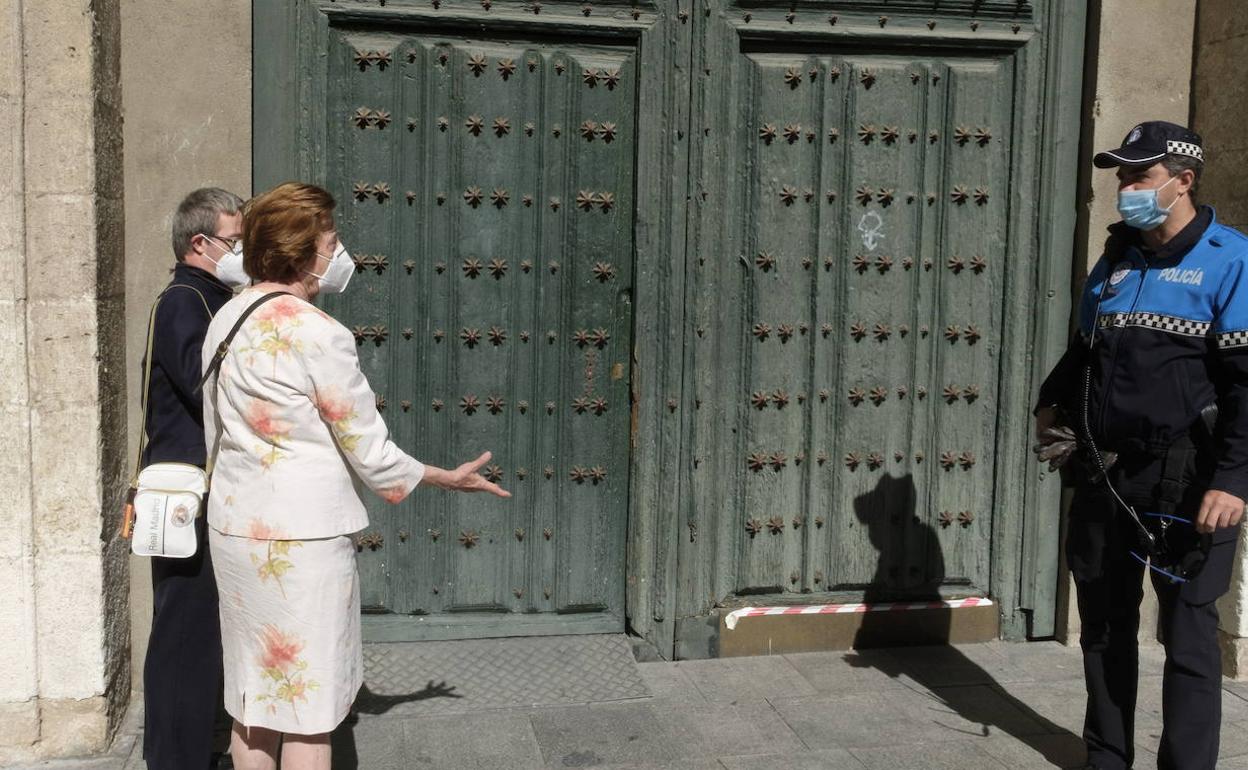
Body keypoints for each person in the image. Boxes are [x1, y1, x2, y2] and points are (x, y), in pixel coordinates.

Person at [202, 181, 510, 770]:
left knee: (254, 703)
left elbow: (210, 430)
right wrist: (446, 477)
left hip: (235, 532)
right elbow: (370, 451)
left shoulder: (226, 320)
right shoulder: (320, 334)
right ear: (302, 250)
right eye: (332, 241)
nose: (339, 253)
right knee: (311, 715)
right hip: (304, 542)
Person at [1035, 121, 1248, 770]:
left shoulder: (1230, 259)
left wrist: (1234, 480)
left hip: (1190, 482)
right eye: (1122, 176)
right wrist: (1051, 403)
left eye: (1140, 176)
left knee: (1187, 636)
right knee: (1102, 631)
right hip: (1106, 474)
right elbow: (1086, 351)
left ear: (1183, 180)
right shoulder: (1117, 257)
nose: (1126, 188)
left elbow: (1247, 384)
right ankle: (1106, 760)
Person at [141, 187, 251, 770]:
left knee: (199, 632)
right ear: (199, 243)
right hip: (190, 496)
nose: (243, 251)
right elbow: (204, 387)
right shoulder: (186, 299)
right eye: (235, 241)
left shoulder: (211, 296)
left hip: (207, 490)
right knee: (184, 635)